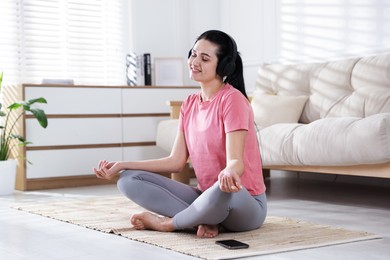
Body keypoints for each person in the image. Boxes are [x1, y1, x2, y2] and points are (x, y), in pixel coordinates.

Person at [93, 29, 267, 238]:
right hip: (206, 197)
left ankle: (169, 224)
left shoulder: (233, 100)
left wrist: (229, 172)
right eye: (193, 54)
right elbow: (175, 161)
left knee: (222, 189)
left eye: (204, 58)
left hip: (243, 202)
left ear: (223, 66)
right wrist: (123, 164)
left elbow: (236, 162)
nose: (195, 61)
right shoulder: (189, 103)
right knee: (128, 179)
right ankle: (203, 220)